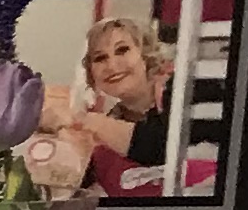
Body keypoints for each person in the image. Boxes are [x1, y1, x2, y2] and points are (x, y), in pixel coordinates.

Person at [72, 11, 181, 196]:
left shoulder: (181, 91)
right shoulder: (103, 137)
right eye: (100, 58)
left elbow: (162, 145)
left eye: (122, 50)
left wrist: (86, 120)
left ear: (146, 54)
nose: (112, 66)